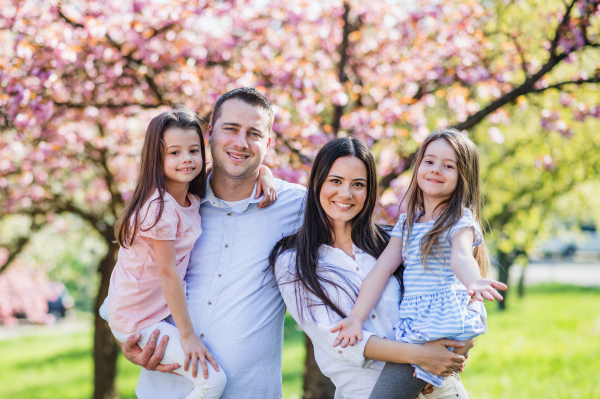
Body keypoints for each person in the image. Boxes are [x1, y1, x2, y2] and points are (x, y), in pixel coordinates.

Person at [101, 88, 307, 398]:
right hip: (166, 391)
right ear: (209, 134)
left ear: (268, 143)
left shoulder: (295, 206)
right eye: (231, 129)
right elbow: (130, 281)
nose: (240, 142)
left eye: (253, 133)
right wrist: (128, 343)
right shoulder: (173, 204)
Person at [270, 137, 471, 399]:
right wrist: (422, 358)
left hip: (438, 391)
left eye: (358, 184)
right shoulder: (295, 262)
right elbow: (339, 341)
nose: (346, 194)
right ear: (317, 182)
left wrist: (450, 355)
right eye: (335, 181)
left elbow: (451, 297)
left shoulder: (394, 244)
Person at [330, 128, 507, 398]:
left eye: (449, 166)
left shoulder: (459, 219)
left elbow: (460, 255)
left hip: (438, 323)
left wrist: (473, 280)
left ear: (463, 177)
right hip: (416, 326)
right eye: (429, 161)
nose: (436, 169)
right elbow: (382, 268)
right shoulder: (408, 222)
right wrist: (357, 317)